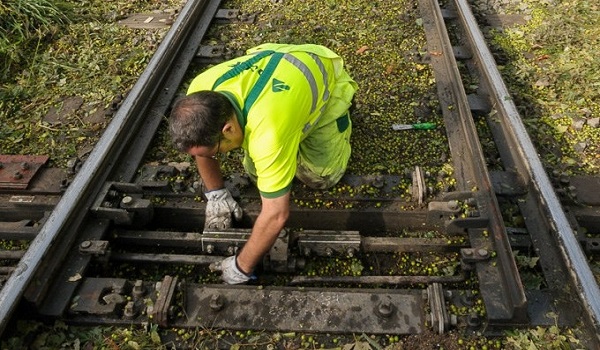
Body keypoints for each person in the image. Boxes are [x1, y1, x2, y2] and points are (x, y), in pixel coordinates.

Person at [169, 43, 357, 284]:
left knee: (320, 177)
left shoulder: (269, 134)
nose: (214, 155)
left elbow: (277, 214)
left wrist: (242, 266)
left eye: (217, 149)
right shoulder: (199, 93)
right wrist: (216, 194)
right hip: (276, 72)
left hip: (318, 74)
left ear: (228, 128)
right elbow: (202, 151)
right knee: (256, 172)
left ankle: (343, 111)